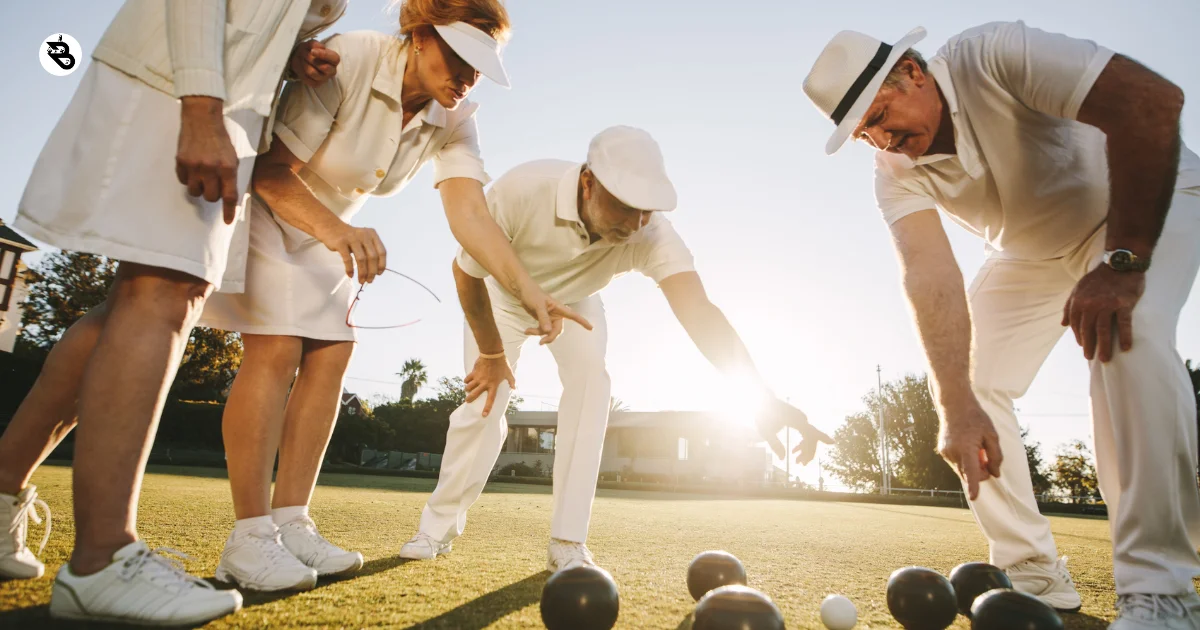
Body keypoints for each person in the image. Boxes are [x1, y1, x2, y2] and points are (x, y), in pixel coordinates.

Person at [803, 21, 1200, 627]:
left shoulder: (994, 54)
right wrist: (954, 405)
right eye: (866, 133)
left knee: (1126, 334)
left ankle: (1162, 591)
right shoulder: (893, 171)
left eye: (882, 112)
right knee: (967, 386)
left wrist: (1121, 262)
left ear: (913, 71)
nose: (884, 139)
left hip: (1150, 202)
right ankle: (1034, 572)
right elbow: (928, 276)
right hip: (1032, 251)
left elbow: (1152, 102)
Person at [195, 0, 589, 593]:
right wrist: (338, 231)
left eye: (480, 67)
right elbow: (274, 172)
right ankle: (248, 539)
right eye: (459, 57)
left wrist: (526, 288)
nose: (467, 77)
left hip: (329, 233)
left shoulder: (455, 118)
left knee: (330, 354)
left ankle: (290, 521)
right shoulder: (353, 56)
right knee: (276, 350)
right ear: (422, 37)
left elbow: (470, 214)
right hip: (268, 209)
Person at [0, 0, 346, 624]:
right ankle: (103, 559)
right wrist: (202, 109)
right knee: (162, 294)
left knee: (134, 304)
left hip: (218, 99)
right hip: (188, 93)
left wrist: (289, 51)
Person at [397, 126, 833, 572]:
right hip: (500, 299)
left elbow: (700, 312)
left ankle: (568, 541)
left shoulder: (651, 234)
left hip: (575, 303)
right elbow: (466, 272)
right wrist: (491, 356)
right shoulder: (524, 188)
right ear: (588, 181)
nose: (636, 223)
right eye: (624, 206)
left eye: (646, 210)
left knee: (592, 386)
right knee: (484, 406)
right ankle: (436, 528)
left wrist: (762, 397)